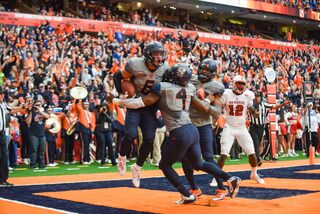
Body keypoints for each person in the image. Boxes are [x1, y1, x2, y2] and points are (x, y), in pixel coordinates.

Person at [110, 63, 241, 204]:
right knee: (199, 163)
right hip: (192, 130)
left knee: (164, 165)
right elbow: (202, 106)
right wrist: (210, 101)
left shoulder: (163, 88)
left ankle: (186, 194)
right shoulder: (190, 88)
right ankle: (229, 178)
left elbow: (141, 102)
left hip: (179, 132)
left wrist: (117, 101)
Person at [113, 41, 169, 187]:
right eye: (155, 54)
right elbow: (118, 76)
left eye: (160, 54)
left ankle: (137, 168)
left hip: (150, 106)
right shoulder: (134, 64)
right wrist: (122, 92)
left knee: (149, 139)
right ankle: (122, 157)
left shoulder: (165, 68)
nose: (159, 57)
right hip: (135, 103)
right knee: (130, 134)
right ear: (147, 55)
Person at [184, 58, 228, 200]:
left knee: (208, 156)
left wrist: (206, 97)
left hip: (203, 124)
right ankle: (194, 188)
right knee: (185, 158)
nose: (204, 72)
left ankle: (222, 187)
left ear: (213, 73)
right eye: (202, 68)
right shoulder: (191, 79)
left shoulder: (216, 86)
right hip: (188, 122)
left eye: (207, 70)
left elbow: (217, 95)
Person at [217, 75, 265, 184]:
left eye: (243, 84)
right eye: (239, 83)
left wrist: (255, 113)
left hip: (242, 128)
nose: (241, 86)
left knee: (252, 153)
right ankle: (217, 176)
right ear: (234, 84)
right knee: (224, 153)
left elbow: (252, 109)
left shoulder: (247, 95)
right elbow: (218, 105)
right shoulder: (226, 94)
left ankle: (254, 173)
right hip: (229, 127)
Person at [0, 87, 23, 187]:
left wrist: (22, 106)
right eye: (0, 94)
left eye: (2, 94)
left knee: (4, 156)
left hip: (2, 133)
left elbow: (11, 110)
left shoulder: (3, 105)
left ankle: (3, 179)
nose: (2, 95)